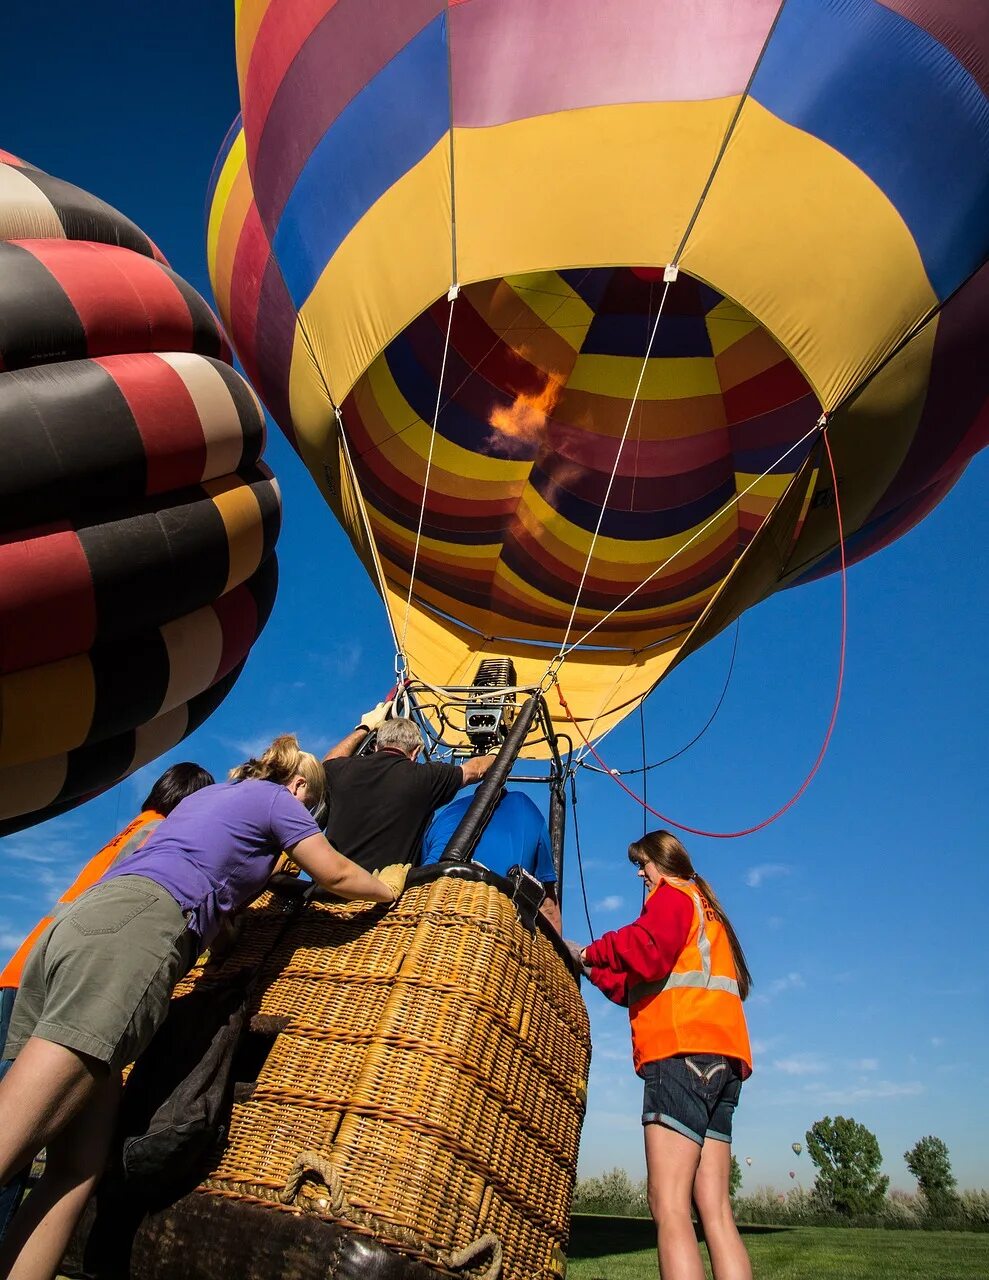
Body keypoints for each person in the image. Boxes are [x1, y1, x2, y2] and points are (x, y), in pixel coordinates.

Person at [0, 735, 407, 1280]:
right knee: (11, 1135)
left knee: (77, 1167)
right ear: (301, 787)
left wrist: (255, 890)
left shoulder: (208, 798)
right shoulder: (278, 799)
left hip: (79, 928)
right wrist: (385, 890)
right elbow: (332, 872)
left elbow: (212, 898)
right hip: (137, 934)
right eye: (310, 813)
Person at [0, 762, 215, 1243]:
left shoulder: (128, 832)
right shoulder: (161, 839)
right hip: (71, 985)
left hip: (25, 973)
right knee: (18, 1139)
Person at [573, 831, 753, 1280]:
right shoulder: (705, 908)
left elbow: (647, 952)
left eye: (643, 864)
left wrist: (593, 950)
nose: (640, 874)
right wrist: (591, 968)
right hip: (724, 1062)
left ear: (663, 862)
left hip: (681, 1056)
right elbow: (644, 981)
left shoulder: (673, 896)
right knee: (714, 1209)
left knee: (669, 1203)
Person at [322, 704, 496, 872]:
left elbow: (328, 762)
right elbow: (476, 770)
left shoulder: (341, 771)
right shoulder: (426, 777)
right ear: (416, 751)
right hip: (381, 894)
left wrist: (364, 727)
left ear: (376, 746)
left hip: (327, 892)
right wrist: (496, 752)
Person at [420, 788, 562, 932]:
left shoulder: (446, 812)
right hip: (494, 925)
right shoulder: (527, 808)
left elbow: (424, 873)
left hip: (429, 915)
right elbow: (548, 907)